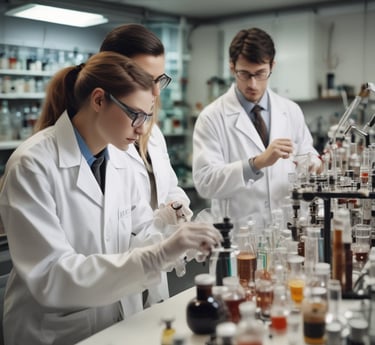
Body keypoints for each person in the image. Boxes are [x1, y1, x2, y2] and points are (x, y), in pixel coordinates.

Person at [0, 51, 222, 345]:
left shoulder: (119, 158)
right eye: (135, 115)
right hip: (55, 332)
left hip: (116, 322)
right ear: (99, 100)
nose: (142, 128)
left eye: (147, 115)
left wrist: (175, 238)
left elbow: (139, 231)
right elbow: (52, 276)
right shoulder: (32, 165)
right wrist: (157, 254)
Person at [99, 23, 193, 304]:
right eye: (143, 79)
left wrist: (178, 209)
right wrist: (158, 226)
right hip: (115, 283)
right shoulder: (102, 142)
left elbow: (168, 187)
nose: (155, 92)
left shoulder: (154, 134)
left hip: (150, 277)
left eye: (159, 79)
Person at [192, 27, 322, 229]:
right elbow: (205, 182)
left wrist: (313, 164)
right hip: (240, 235)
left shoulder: (291, 110)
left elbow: (307, 153)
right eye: (244, 74)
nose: (252, 84)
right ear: (231, 67)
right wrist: (257, 163)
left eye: (261, 73)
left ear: (272, 66)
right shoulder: (212, 117)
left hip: (287, 229)